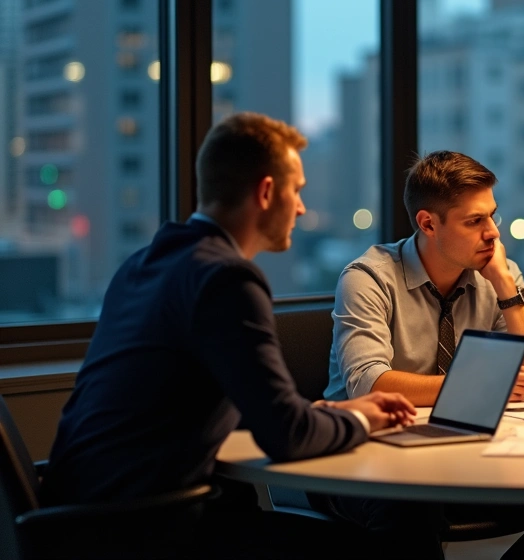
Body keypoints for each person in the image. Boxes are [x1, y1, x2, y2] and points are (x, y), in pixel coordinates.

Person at [38, 112, 416, 557]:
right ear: (267, 191)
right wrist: (362, 419)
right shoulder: (227, 279)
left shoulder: (148, 263)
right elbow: (287, 437)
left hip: (82, 513)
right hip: (146, 527)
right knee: (383, 545)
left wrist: (324, 410)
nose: (300, 208)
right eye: (296, 190)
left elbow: (220, 398)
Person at [319, 150, 524, 559]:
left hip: (460, 454)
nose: (493, 233)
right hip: (362, 464)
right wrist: (481, 388)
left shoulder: (495, 271)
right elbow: (369, 383)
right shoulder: (367, 278)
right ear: (428, 223)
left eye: (492, 216)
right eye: (475, 221)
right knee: (409, 506)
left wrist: (506, 287)